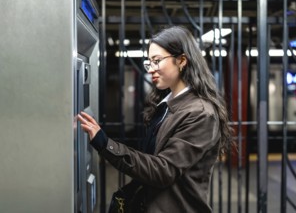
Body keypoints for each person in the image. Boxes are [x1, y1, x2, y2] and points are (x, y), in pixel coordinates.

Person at [78, 25, 232, 213]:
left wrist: (105, 143)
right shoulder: (167, 104)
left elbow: (163, 170)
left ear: (182, 60)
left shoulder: (200, 113)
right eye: (149, 62)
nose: (151, 69)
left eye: (157, 61)